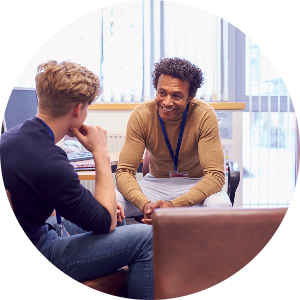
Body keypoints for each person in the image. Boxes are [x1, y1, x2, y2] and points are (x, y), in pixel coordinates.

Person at [0, 60, 153, 300]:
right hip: (43, 247)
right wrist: (100, 153)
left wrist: (104, 212)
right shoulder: (49, 160)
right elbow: (104, 223)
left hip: (39, 229)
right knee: (147, 238)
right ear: (77, 109)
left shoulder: (13, 137)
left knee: (119, 219)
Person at [115, 57, 232, 224]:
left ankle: (203, 250)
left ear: (190, 96)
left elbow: (215, 176)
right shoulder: (141, 115)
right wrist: (145, 205)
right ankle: (130, 246)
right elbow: (124, 172)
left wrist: (174, 205)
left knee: (220, 206)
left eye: (176, 95)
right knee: (111, 202)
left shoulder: (204, 115)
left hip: (195, 184)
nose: (167, 102)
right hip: (156, 184)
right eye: (162, 93)